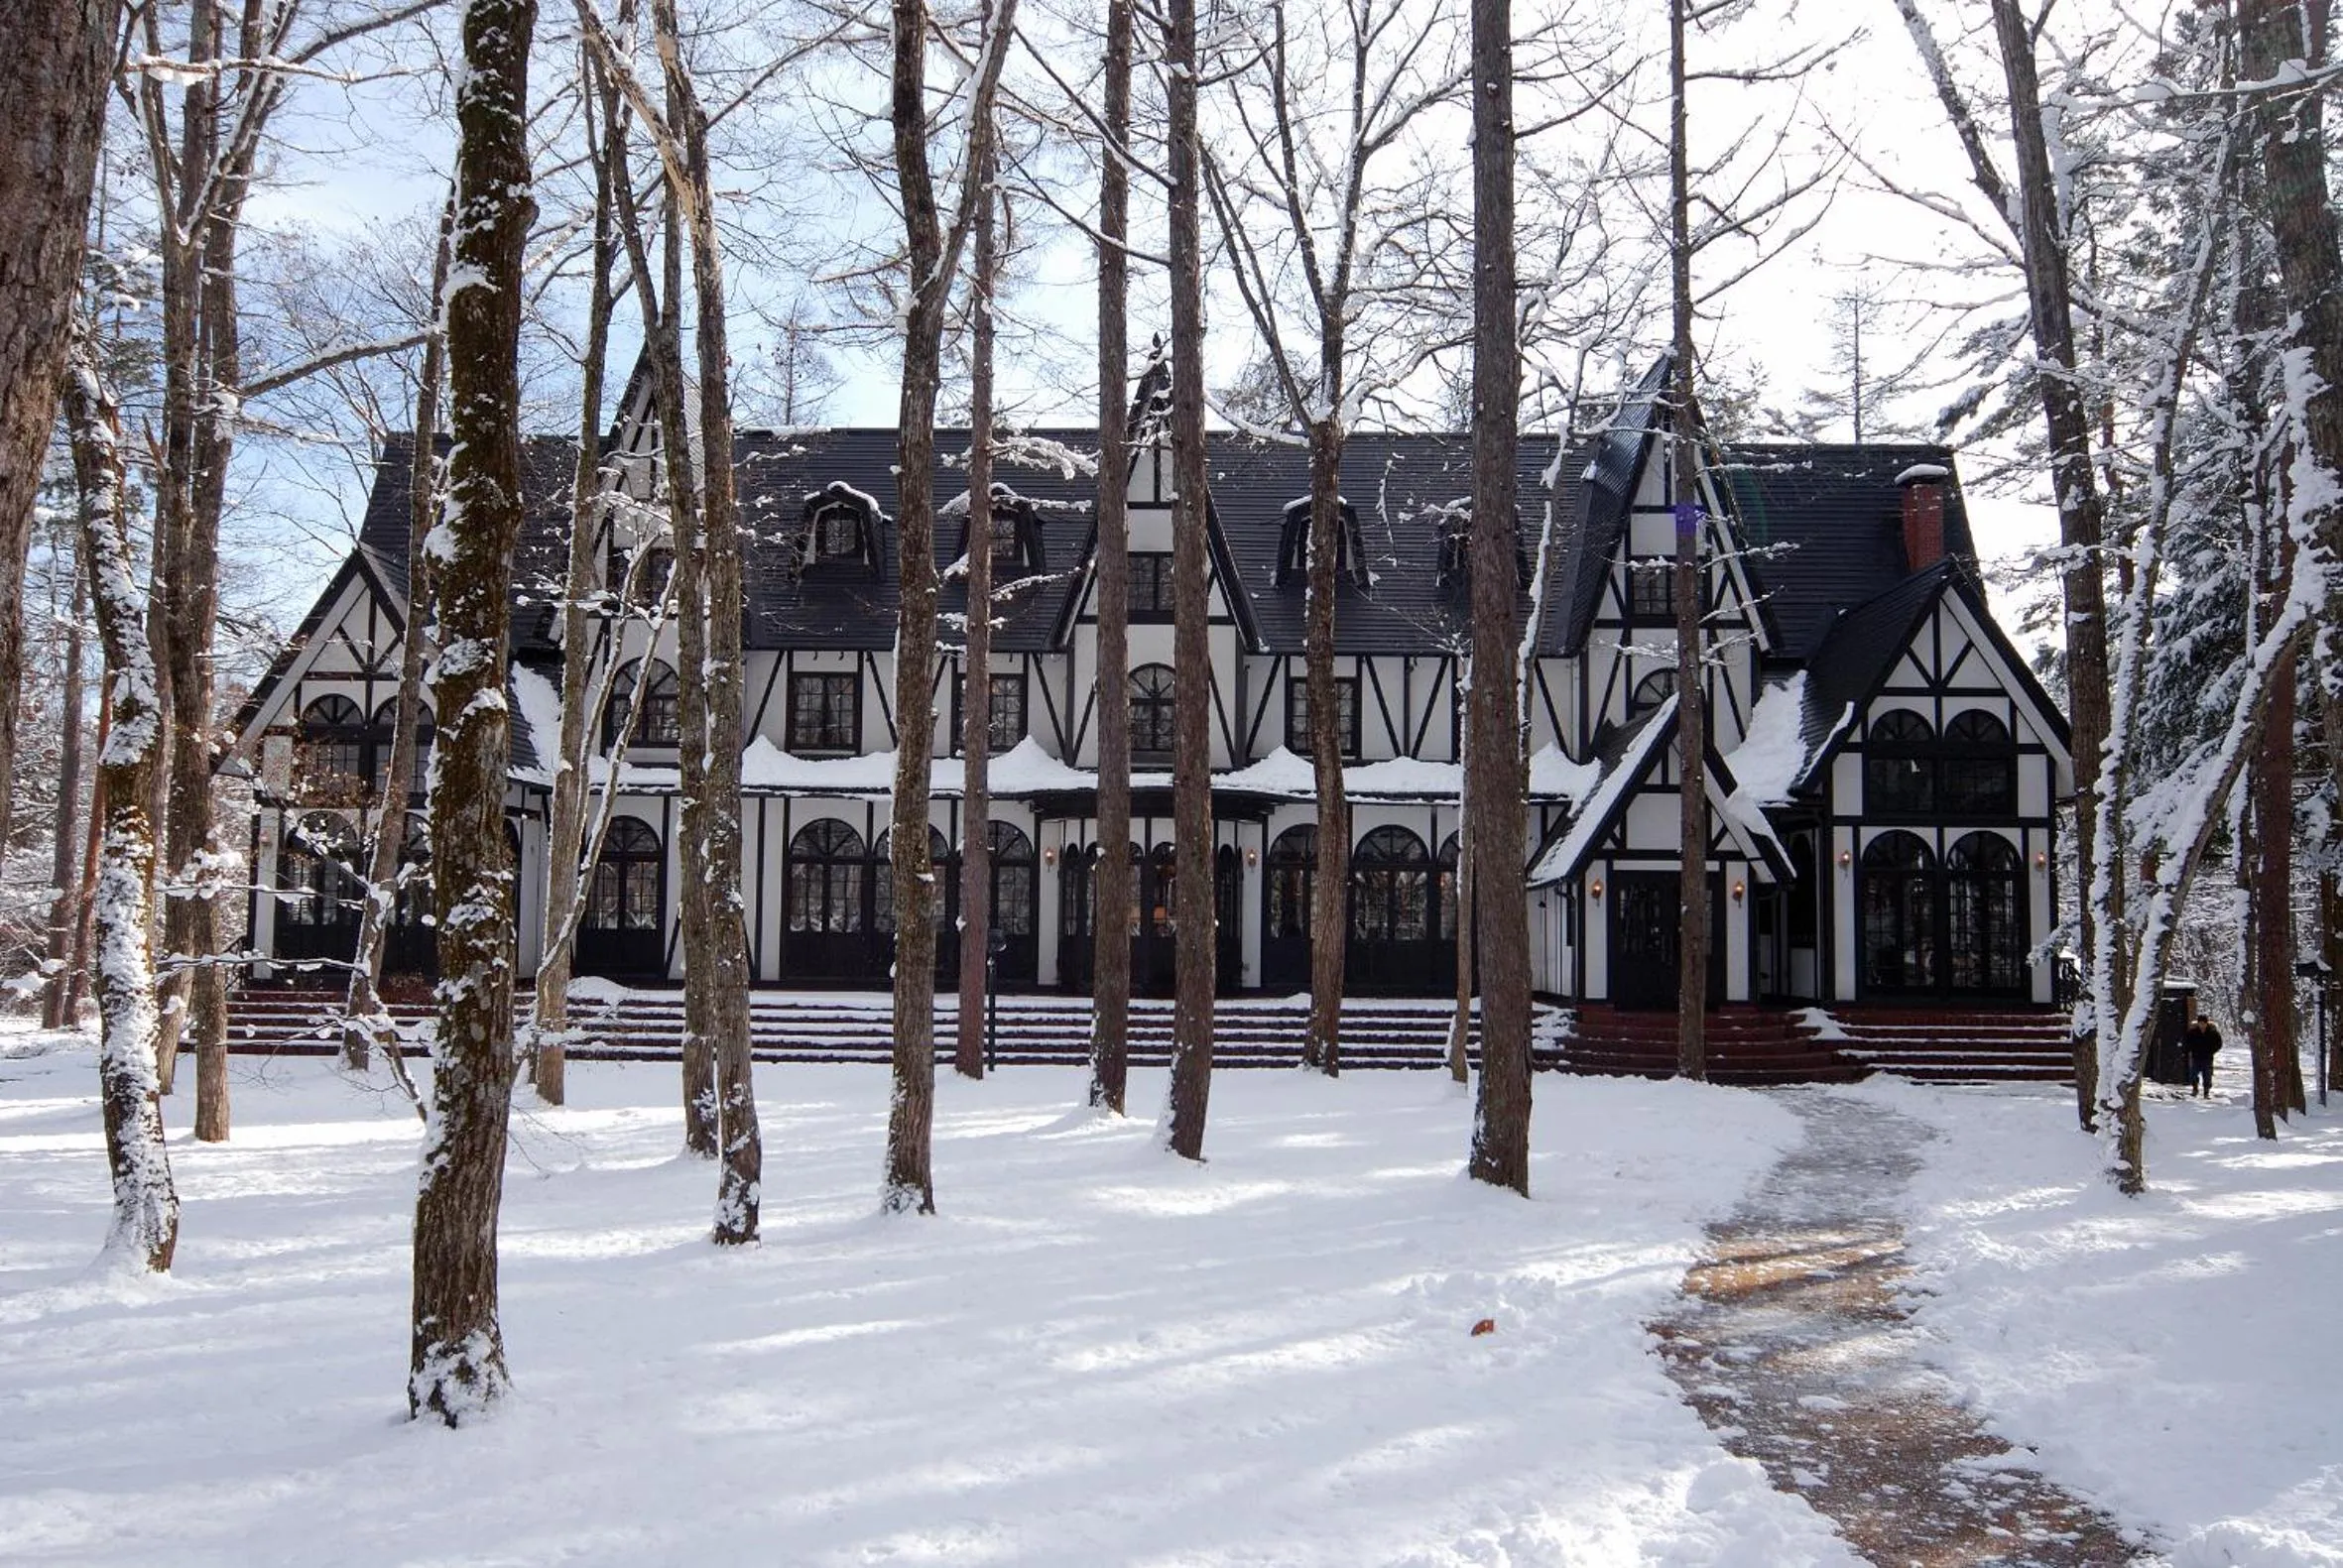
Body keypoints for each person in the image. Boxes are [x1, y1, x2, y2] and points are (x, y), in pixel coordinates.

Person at [2186, 1014, 2223, 1098]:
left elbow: (2218, 1043)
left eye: (2203, 1023)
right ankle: (2195, 1088)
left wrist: (2212, 1051)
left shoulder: (2213, 1032)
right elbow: (2187, 1042)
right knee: (2193, 1074)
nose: (2202, 1025)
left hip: (2207, 1057)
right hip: (2196, 1057)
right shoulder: (2193, 1032)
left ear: (2207, 1023)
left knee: (2207, 1075)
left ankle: (2206, 1092)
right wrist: (2191, 1049)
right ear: (2198, 1023)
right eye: (2200, 1023)